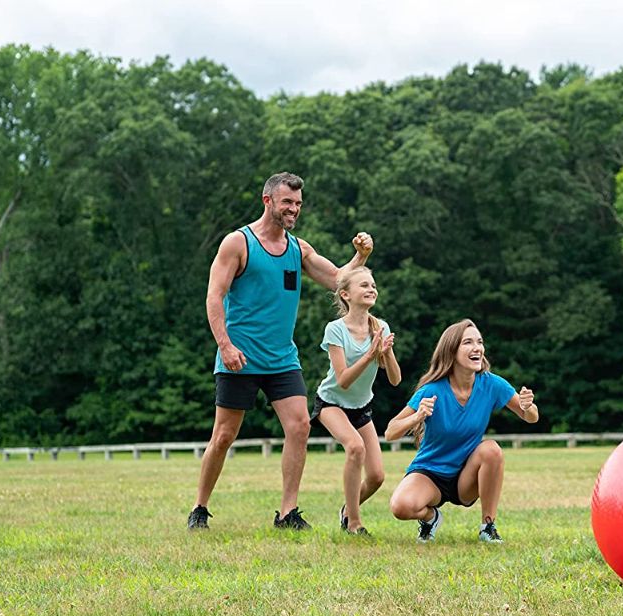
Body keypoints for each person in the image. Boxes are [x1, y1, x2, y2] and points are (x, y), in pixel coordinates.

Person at [188, 172, 373, 531]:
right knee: (224, 436)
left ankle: (287, 513)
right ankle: (200, 507)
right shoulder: (237, 244)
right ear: (268, 201)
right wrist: (224, 345)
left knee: (300, 425)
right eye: (287, 202)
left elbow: (338, 279)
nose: (294, 209)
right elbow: (214, 296)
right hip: (239, 357)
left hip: (281, 359)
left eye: (298, 204)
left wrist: (360, 256)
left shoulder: (297, 249)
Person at [384, 319, 538, 544]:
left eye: (479, 342)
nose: (477, 347)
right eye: (468, 342)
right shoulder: (432, 390)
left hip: (466, 476)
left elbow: (531, 417)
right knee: (401, 507)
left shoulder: (492, 384)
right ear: (452, 350)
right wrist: (417, 417)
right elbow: (390, 432)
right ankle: (431, 518)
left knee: (491, 450)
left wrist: (527, 406)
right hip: (431, 473)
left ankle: (488, 526)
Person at [310, 266, 402, 536]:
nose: (371, 289)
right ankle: (355, 524)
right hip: (331, 403)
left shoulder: (380, 326)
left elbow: (395, 379)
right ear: (345, 294)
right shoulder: (335, 330)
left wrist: (386, 352)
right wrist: (370, 354)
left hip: (361, 406)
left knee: (376, 477)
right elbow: (343, 381)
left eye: (373, 285)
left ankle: (346, 511)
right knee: (355, 447)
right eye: (364, 285)